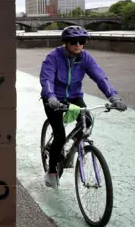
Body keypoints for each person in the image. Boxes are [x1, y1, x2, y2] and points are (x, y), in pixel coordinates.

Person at [39, 25, 127, 188]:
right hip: (54, 99)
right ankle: (51, 171)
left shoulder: (85, 57)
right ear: (66, 43)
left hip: (74, 97)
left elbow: (100, 77)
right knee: (59, 135)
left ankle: (73, 150)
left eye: (82, 41)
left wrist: (113, 96)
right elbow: (47, 79)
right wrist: (50, 97)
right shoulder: (53, 57)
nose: (78, 45)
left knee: (87, 120)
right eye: (73, 42)